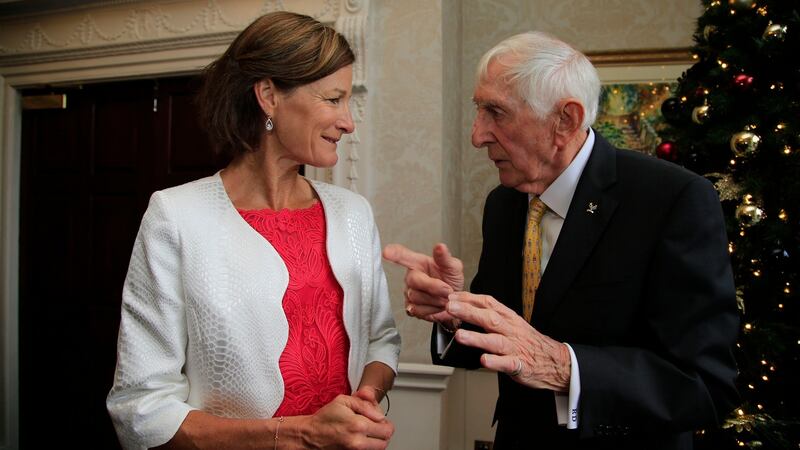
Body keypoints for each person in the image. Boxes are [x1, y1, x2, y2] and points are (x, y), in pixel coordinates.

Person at [384, 31, 739, 449]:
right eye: (478, 111)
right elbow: (508, 338)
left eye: (496, 113)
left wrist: (565, 367)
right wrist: (453, 311)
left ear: (565, 121)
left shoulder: (671, 200)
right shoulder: (505, 204)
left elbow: (704, 385)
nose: (477, 135)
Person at [107, 11, 400, 450]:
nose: (348, 122)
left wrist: (364, 399)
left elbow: (381, 340)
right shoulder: (176, 216)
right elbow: (141, 408)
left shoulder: (352, 213)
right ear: (269, 96)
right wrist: (299, 434)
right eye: (333, 99)